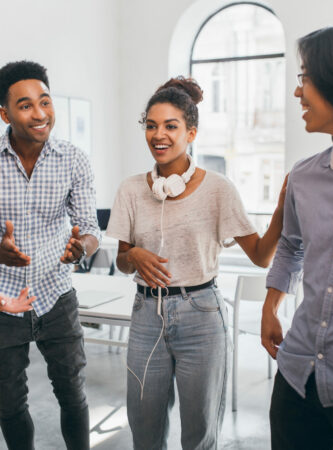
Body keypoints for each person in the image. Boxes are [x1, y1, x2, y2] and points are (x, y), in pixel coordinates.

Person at [106, 76, 286, 449]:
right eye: (151, 126)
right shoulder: (130, 190)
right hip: (145, 316)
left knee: (200, 433)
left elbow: (260, 255)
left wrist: (283, 209)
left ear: (191, 132)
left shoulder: (219, 189)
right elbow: (123, 262)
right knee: (144, 429)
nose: (159, 135)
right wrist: (133, 255)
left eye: (171, 126)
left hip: (201, 315)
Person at [0, 61, 101, 450]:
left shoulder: (73, 159)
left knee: (73, 394)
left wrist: (81, 250)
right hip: (5, 302)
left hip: (56, 295)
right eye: (26, 105)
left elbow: (89, 227)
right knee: (8, 403)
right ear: (5, 113)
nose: (40, 113)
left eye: (45, 101)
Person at [261, 25, 333, 450]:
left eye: (305, 78)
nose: (298, 93)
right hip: (298, 376)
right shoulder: (302, 175)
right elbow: (291, 246)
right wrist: (271, 305)